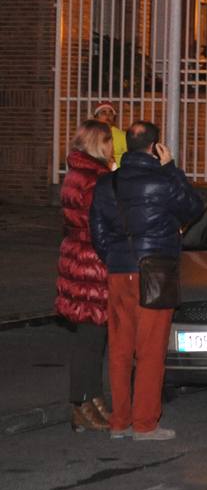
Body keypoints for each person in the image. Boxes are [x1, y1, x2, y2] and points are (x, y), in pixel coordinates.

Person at [89, 121, 203, 441]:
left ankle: (119, 421)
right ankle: (144, 424)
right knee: (150, 350)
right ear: (155, 147)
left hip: (118, 271)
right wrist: (172, 169)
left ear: (127, 144)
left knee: (120, 349)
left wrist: (115, 257)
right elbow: (193, 207)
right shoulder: (163, 180)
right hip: (155, 271)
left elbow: (97, 230)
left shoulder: (107, 183)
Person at [57, 119, 115, 432]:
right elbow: (103, 221)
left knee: (91, 335)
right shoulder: (96, 178)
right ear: (97, 143)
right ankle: (82, 402)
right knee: (91, 338)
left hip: (77, 258)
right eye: (108, 141)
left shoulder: (76, 173)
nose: (112, 147)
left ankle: (92, 398)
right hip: (92, 262)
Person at [92, 100, 127, 167]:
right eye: (103, 113)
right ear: (96, 117)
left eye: (111, 113)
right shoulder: (91, 135)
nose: (108, 116)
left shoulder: (123, 135)